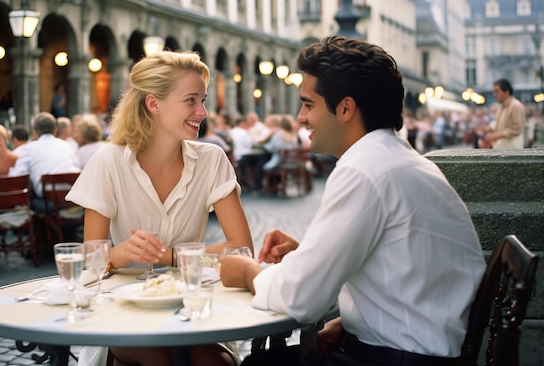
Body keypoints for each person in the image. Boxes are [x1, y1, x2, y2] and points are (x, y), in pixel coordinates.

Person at [219, 36, 486, 366]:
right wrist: (310, 256)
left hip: (401, 358)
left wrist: (247, 272)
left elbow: (300, 299)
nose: (301, 117)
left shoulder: (365, 169)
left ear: (344, 108)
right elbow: (396, 269)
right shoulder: (395, 159)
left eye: (308, 104)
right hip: (417, 350)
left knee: (262, 364)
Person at [66, 50, 253, 366]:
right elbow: (90, 260)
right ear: (153, 104)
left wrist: (171, 256)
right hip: (124, 309)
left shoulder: (212, 160)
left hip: (192, 307)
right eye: (191, 100)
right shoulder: (108, 162)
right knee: (158, 358)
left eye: (202, 100)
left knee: (215, 364)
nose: (203, 111)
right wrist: (120, 254)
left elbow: (243, 248)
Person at [8, 112, 80, 212]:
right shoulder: (68, 146)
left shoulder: (27, 150)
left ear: (34, 133)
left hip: (48, 203)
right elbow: (77, 168)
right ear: (55, 130)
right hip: (72, 200)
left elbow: (16, 177)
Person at [483, 78, 526, 149]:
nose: (494, 95)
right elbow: (501, 125)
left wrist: (496, 135)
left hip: (512, 153)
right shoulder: (502, 107)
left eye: (497, 92)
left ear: (506, 92)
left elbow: (517, 129)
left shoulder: (515, 106)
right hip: (502, 151)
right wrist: (490, 129)